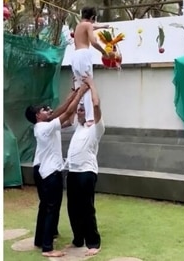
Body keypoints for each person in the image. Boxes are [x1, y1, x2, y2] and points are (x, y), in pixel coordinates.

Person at [25, 83, 90, 257]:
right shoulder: (45, 127)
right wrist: (81, 92)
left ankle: (40, 240)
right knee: (51, 209)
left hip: (45, 172)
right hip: (50, 173)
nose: (49, 110)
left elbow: (63, 114)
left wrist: (74, 93)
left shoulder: (46, 125)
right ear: (38, 116)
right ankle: (48, 248)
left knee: (45, 207)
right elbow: (67, 113)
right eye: (45, 110)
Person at [65, 76, 104, 256]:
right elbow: (69, 109)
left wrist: (92, 84)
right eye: (79, 110)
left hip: (86, 173)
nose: (79, 111)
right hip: (72, 172)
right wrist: (77, 89)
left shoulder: (96, 128)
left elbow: (95, 105)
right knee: (72, 208)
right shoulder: (78, 128)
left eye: (82, 109)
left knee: (86, 208)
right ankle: (78, 239)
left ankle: (93, 243)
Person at [71, 6, 110, 127]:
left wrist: (103, 26)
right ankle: (89, 118)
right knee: (88, 85)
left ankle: (80, 116)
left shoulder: (79, 26)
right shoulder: (87, 26)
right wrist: (104, 52)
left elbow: (92, 26)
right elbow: (93, 42)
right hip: (84, 55)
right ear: (92, 17)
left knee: (79, 86)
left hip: (75, 56)